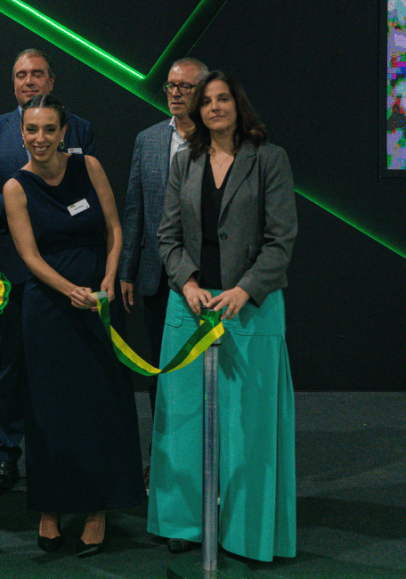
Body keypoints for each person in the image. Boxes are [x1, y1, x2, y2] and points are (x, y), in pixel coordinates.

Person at [149, 71, 297, 562]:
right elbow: (168, 237)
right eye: (207, 100)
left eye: (223, 99)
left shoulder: (269, 159)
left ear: (238, 105)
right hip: (190, 304)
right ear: (197, 110)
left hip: (249, 306)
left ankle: (247, 533)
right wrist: (187, 282)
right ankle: (183, 524)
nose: (214, 107)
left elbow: (281, 240)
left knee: (247, 428)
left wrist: (245, 289)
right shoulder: (184, 161)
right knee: (183, 422)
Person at [2, 94, 144, 557]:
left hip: (99, 302)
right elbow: (29, 256)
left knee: (102, 404)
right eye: (32, 129)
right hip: (50, 308)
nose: (40, 138)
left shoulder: (90, 167)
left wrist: (109, 275)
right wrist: (70, 290)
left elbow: (114, 229)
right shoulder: (15, 187)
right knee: (50, 409)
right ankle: (50, 508)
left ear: (64, 132)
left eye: (49, 129)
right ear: (22, 133)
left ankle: (97, 510)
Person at [0, 48, 98, 492]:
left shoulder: (80, 128)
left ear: (51, 81)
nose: (29, 81)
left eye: (37, 74)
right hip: (13, 267)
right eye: (21, 75)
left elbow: (89, 193)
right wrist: (29, 204)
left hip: (69, 267)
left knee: (66, 366)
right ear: (13, 84)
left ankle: (64, 452)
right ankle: (6, 454)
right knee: (11, 366)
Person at [118, 58, 208, 492]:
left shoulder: (219, 139)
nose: (174, 93)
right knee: (161, 373)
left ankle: (207, 461)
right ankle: (163, 460)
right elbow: (134, 206)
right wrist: (127, 270)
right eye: (171, 86)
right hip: (156, 276)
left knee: (206, 375)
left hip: (208, 278)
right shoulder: (149, 139)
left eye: (184, 87)